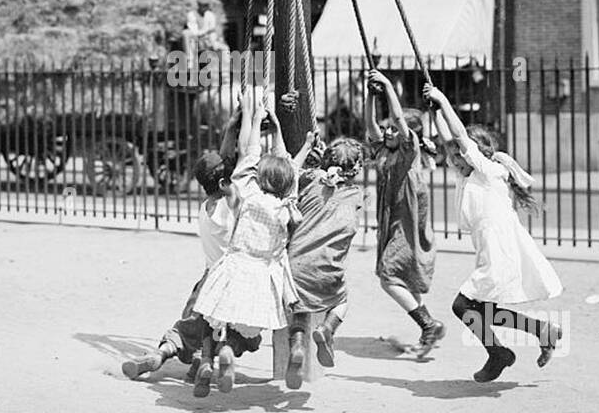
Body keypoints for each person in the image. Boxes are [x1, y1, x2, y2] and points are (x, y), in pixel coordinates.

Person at [423, 84, 563, 383]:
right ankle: (541, 332)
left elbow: (459, 138)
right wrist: (434, 112)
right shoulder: (469, 175)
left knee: (462, 306)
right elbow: (451, 140)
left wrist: (444, 97)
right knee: (482, 309)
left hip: (499, 250)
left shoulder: (488, 171)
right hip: (491, 248)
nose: (454, 161)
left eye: (460, 157)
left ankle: (499, 353)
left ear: (474, 154)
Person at [121, 111, 262, 397]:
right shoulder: (230, 208)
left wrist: (231, 129)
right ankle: (213, 359)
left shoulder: (206, 208)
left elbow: (223, 168)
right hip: (231, 281)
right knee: (243, 333)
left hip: (207, 282)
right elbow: (244, 164)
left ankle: (160, 355)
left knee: (188, 328)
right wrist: (253, 122)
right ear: (226, 183)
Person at [190, 89, 303, 394]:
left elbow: (247, 150)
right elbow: (288, 167)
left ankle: (212, 357)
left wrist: (252, 115)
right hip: (266, 269)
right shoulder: (286, 205)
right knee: (275, 315)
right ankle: (295, 344)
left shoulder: (243, 196)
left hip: (234, 265)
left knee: (212, 315)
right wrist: (276, 125)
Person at [364, 70, 445, 355]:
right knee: (393, 277)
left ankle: (428, 324)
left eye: (394, 130)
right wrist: (370, 95)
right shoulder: (384, 151)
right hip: (392, 220)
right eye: (387, 129)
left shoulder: (409, 152)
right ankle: (428, 325)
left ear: (409, 135)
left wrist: (387, 85)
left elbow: (399, 119)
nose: (388, 132)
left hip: (406, 222)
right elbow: (371, 124)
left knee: (388, 278)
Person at [283, 134, 366, 386]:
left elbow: (292, 173)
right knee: (341, 302)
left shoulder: (309, 180)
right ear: (358, 168)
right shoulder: (355, 194)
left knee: (298, 310)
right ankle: (327, 328)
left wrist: (312, 158)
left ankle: (297, 347)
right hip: (329, 272)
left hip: (295, 265)